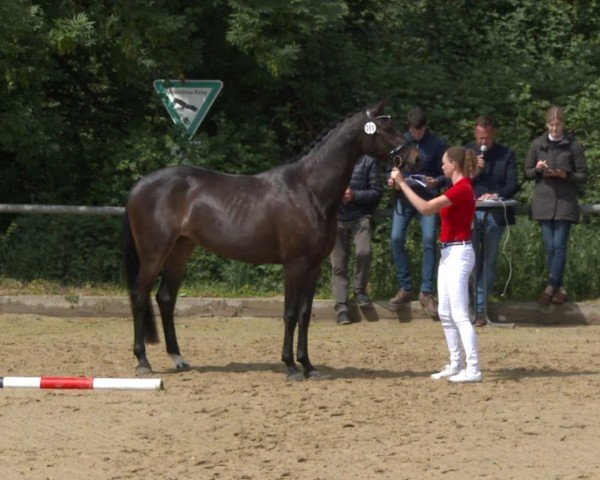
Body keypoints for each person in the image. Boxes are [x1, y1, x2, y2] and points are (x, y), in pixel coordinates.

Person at [390, 146, 482, 382]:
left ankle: (473, 368)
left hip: (459, 253)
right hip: (449, 252)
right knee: (445, 311)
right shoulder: (456, 188)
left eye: (445, 163)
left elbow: (425, 208)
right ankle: (456, 362)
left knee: (460, 313)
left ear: (454, 164)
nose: (442, 167)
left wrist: (402, 183)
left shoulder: (462, 189)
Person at [524, 106, 588, 305]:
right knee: (549, 247)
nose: (554, 129)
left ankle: (551, 286)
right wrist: (538, 169)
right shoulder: (537, 145)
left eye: (558, 125)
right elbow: (527, 172)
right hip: (544, 201)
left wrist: (565, 175)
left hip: (565, 201)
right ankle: (560, 289)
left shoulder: (574, 146)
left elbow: (583, 175)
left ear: (564, 124)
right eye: (551, 125)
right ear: (546, 125)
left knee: (559, 245)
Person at [388, 107, 446, 319]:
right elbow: (389, 168)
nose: (418, 134)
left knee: (430, 239)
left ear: (426, 126)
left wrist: (437, 181)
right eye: (414, 130)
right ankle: (405, 287)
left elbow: (446, 173)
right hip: (404, 198)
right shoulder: (399, 142)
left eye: (421, 130)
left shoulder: (437, 144)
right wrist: (391, 178)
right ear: (409, 127)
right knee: (395, 238)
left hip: (428, 199)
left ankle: (427, 291)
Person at [465, 116, 519, 327]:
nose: (483, 142)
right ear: (475, 134)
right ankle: (467, 306)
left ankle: (480, 309)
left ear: (494, 134)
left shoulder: (506, 154)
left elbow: (513, 184)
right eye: (480, 137)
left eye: (487, 137)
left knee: (488, 261)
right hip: (471, 213)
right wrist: (474, 170)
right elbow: (458, 181)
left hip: (494, 215)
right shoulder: (468, 152)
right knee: (470, 261)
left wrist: (496, 195)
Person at [331, 154, 383, 325]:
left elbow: (377, 192)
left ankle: (360, 290)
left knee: (364, 251)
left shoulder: (369, 160)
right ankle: (341, 306)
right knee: (338, 264)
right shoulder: (334, 157)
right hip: (336, 217)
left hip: (360, 216)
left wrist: (354, 195)